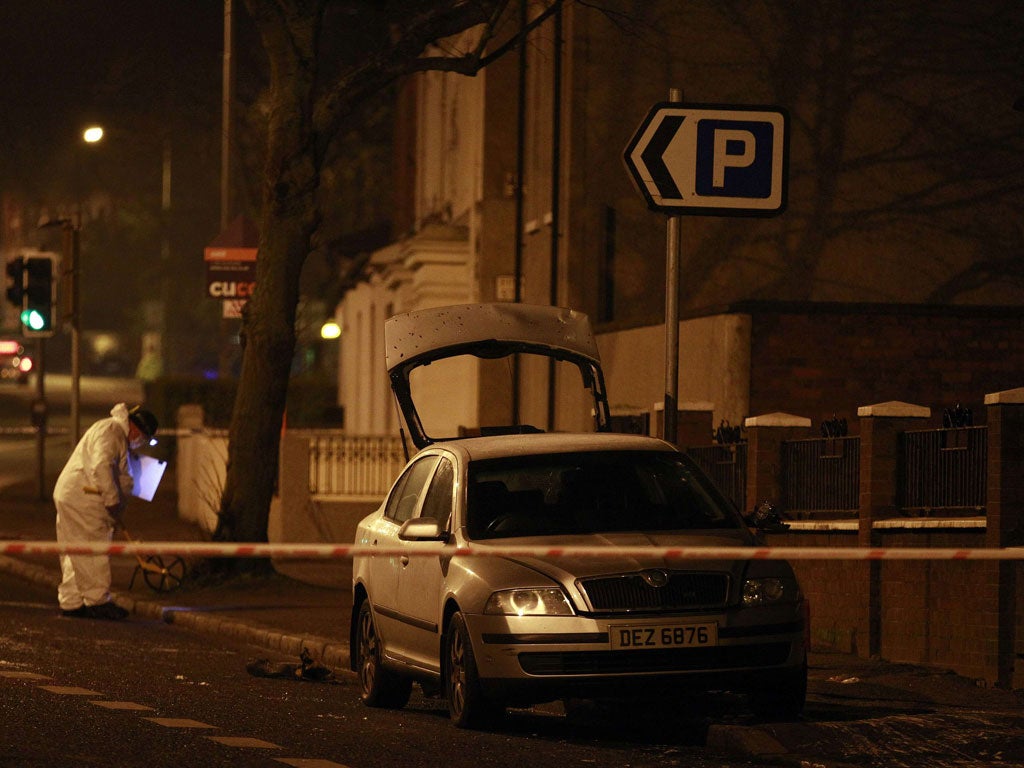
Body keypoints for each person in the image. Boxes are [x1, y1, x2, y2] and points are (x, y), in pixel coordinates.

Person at [54, 403, 159, 620]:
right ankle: (97, 601)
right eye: (143, 438)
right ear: (137, 429)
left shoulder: (112, 432)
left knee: (76, 550)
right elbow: (101, 466)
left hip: (76, 495)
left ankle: (72, 601)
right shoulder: (112, 432)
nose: (140, 444)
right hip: (85, 498)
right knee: (93, 548)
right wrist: (112, 500)